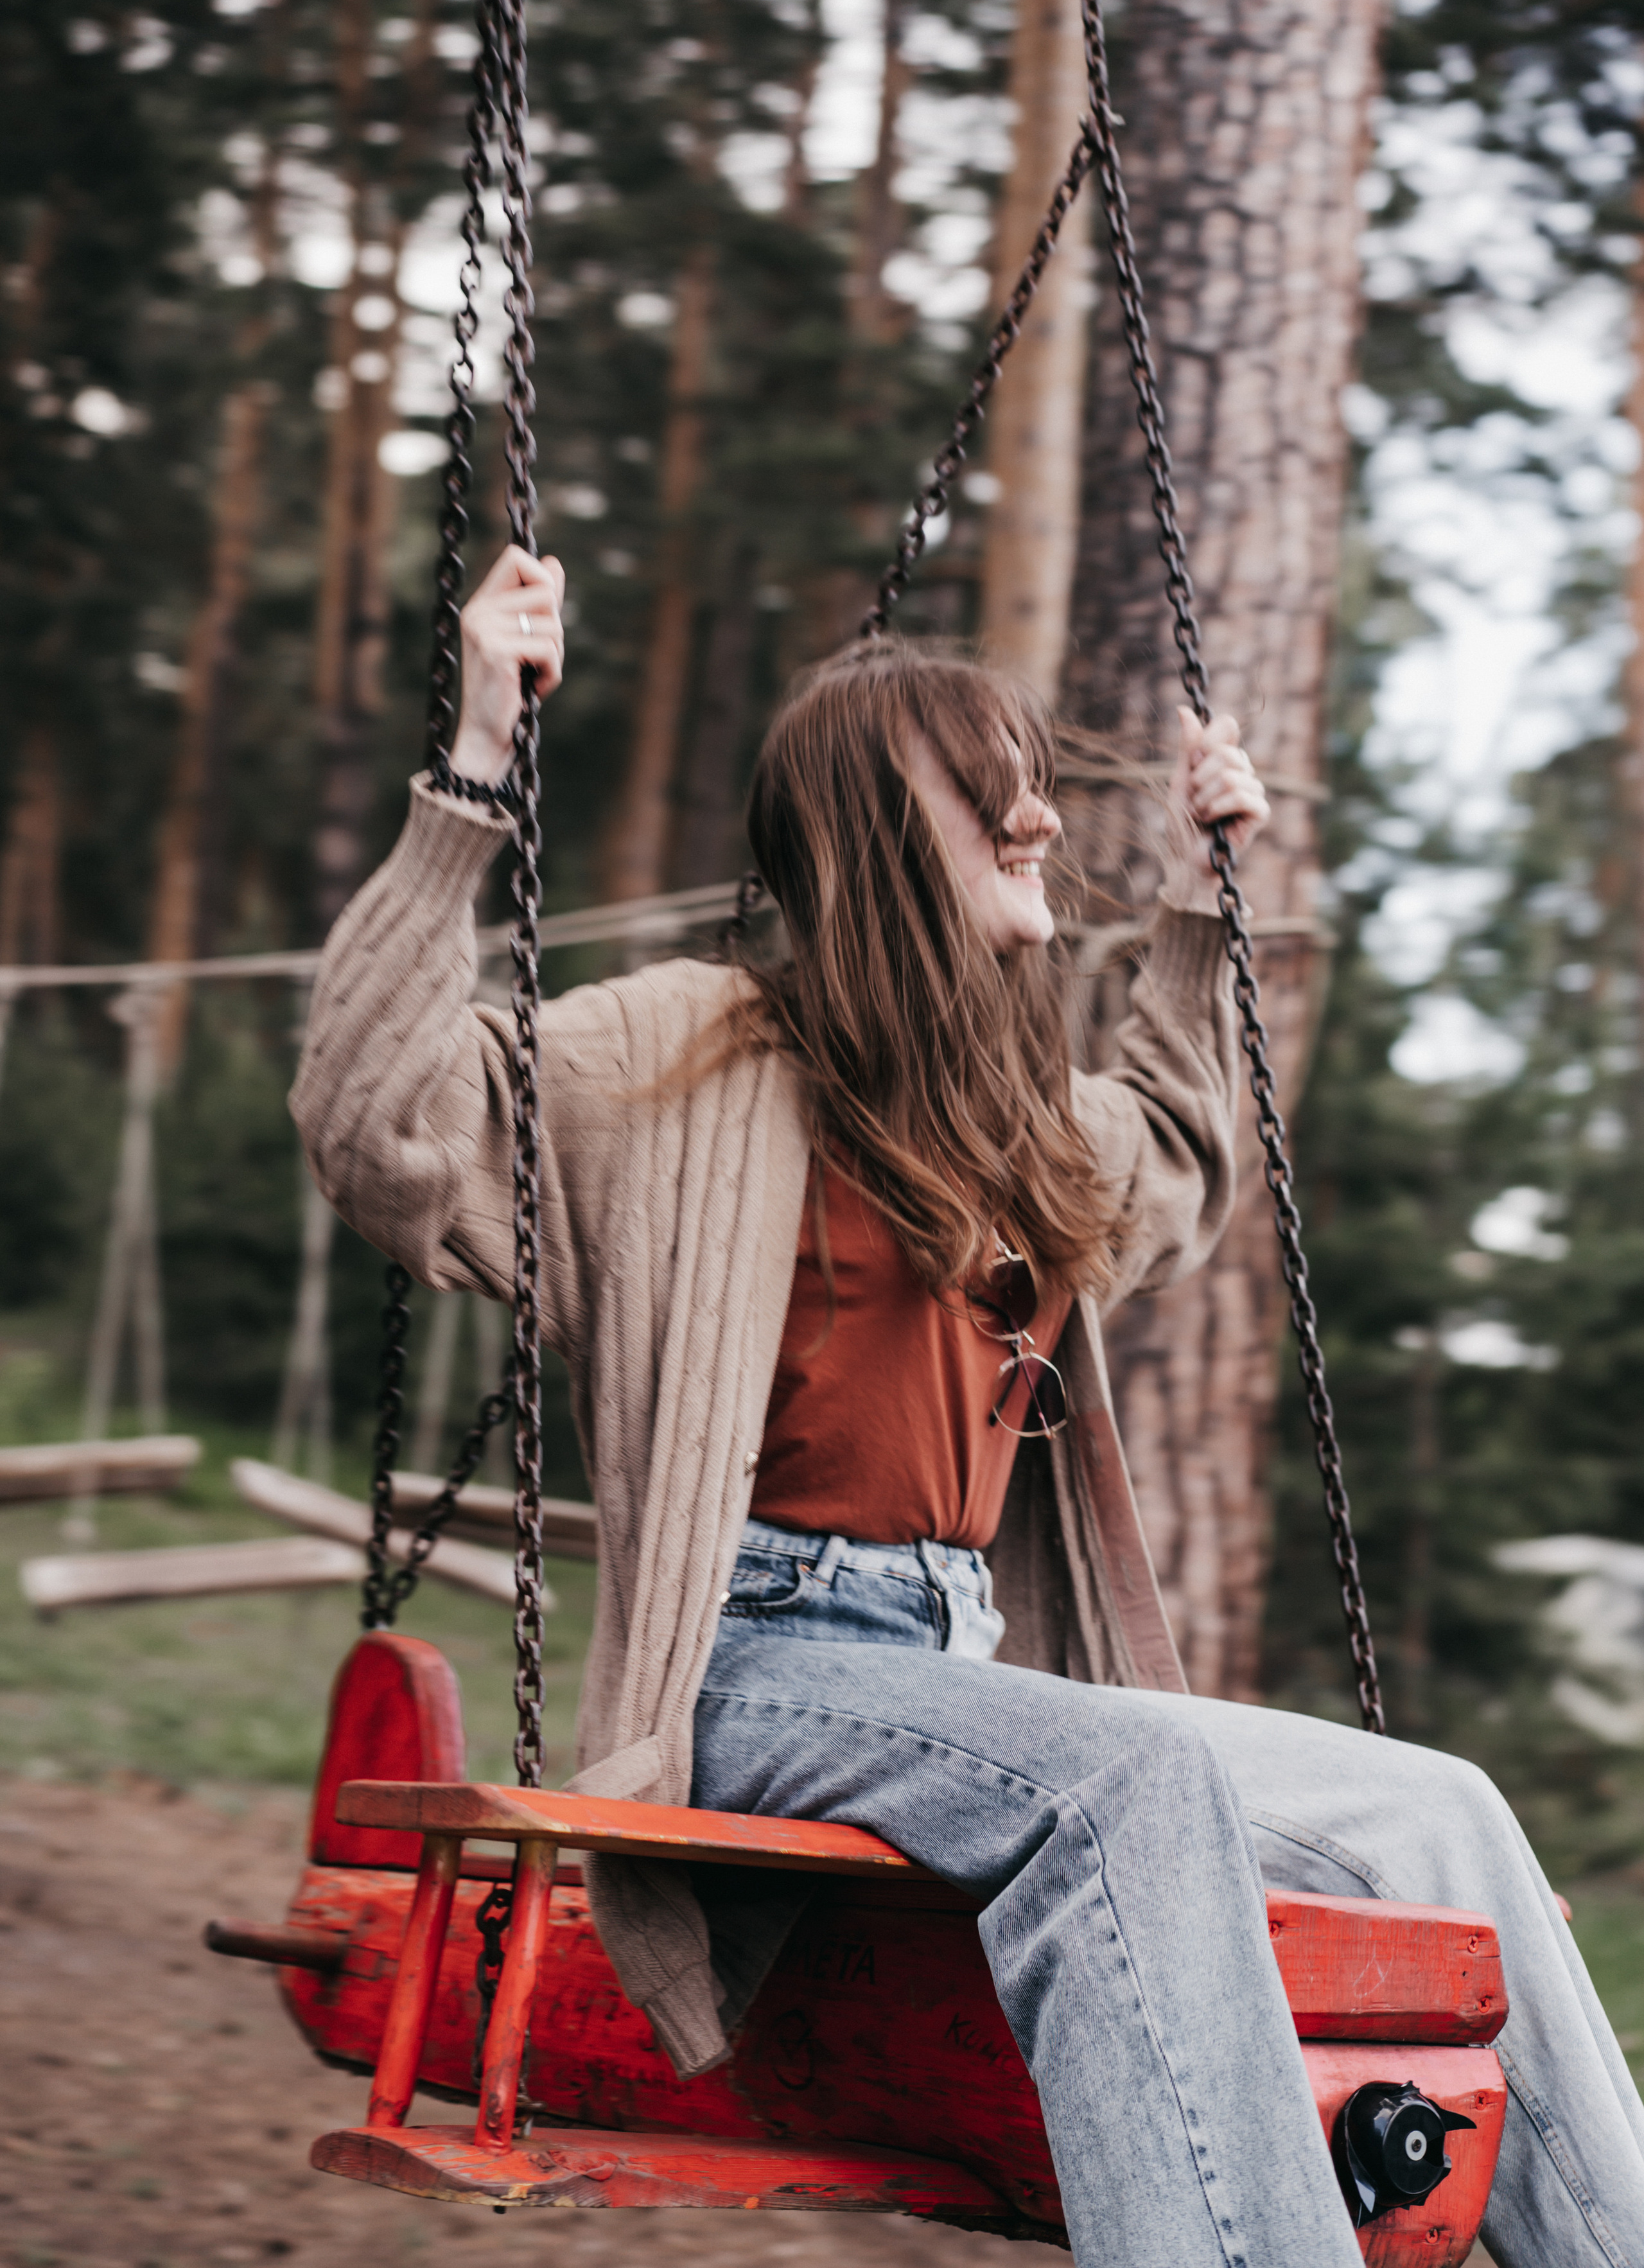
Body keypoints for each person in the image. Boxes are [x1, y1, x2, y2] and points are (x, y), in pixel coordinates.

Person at [293, 543, 1644, 2268]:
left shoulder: (1015, 1115)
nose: (1039, 816)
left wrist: (1202, 902)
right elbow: (378, 1120)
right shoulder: (678, 1058)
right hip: (755, 1668)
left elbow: (1182, 1153)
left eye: (1043, 788)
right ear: (871, 821)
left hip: (953, 1673)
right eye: (991, 783)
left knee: (1441, 1808)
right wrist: (479, 760)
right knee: (1132, 1781)